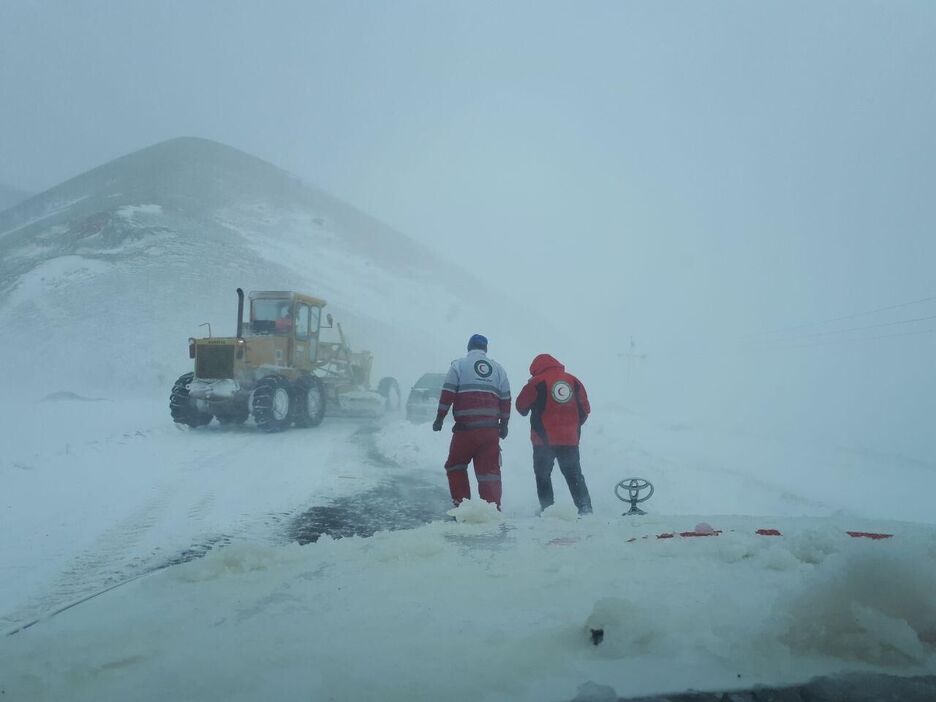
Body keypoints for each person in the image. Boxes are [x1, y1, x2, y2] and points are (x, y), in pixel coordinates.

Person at [433, 334, 511, 509]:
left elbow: (448, 393)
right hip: (490, 432)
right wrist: (504, 425)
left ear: (469, 347)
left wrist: (440, 418)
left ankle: (463, 507)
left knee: (456, 466)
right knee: (489, 473)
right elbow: (506, 398)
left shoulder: (459, 365)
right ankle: (492, 509)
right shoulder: (499, 369)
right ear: (485, 349)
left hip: (465, 431)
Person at [515, 354, 593, 515]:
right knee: (574, 475)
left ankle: (548, 509)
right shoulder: (574, 381)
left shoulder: (537, 382)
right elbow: (585, 410)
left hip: (543, 441)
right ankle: (585, 508)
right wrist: (572, 427)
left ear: (536, 369)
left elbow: (521, 407)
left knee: (543, 475)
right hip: (570, 440)